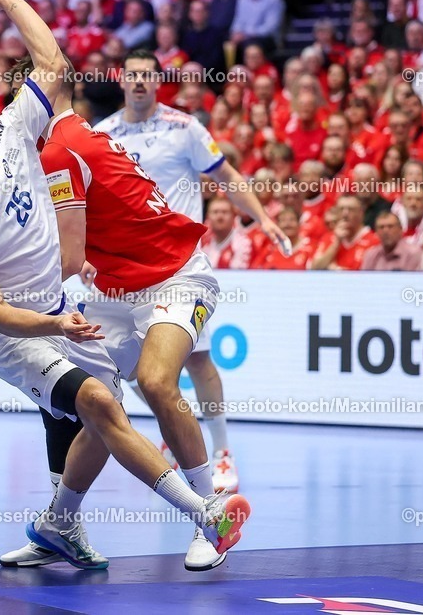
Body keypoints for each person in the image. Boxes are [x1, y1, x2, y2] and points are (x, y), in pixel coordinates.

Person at [0, 0, 249, 572]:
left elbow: (52, 62)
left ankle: (59, 522)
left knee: (101, 412)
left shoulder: (6, 134)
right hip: (18, 334)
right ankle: (205, 514)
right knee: (99, 402)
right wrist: (56, 315)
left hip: (78, 308)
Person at [92, 49, 288, 498]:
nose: (139, 82)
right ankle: (179, 428)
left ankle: (220, 450)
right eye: (132, 75)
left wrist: (264, 219)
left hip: (178, 270)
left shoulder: (184, 128)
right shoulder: (102, 135)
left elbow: (228, 176)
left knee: (197, 358)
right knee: (140, 374)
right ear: (121, 81)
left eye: (147, 76)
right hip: (125, 272)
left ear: (159, 83)